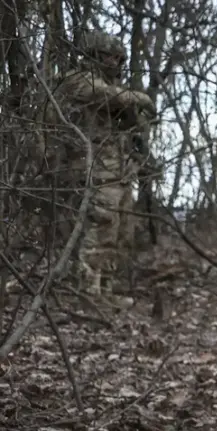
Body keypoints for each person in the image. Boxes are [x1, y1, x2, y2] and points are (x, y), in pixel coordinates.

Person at [51, 30, 155, 295]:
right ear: (95, 55)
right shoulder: (76, 80)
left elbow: (131, 124)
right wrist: (139, 98)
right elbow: (109, 96)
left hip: (116, 172)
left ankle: (105, 290)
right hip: (91, 170)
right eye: (111, 58)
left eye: (120, 60)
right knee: (98, 228)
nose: (116, 65)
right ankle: (87, 292)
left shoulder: (110, 88)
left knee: (119, 234)